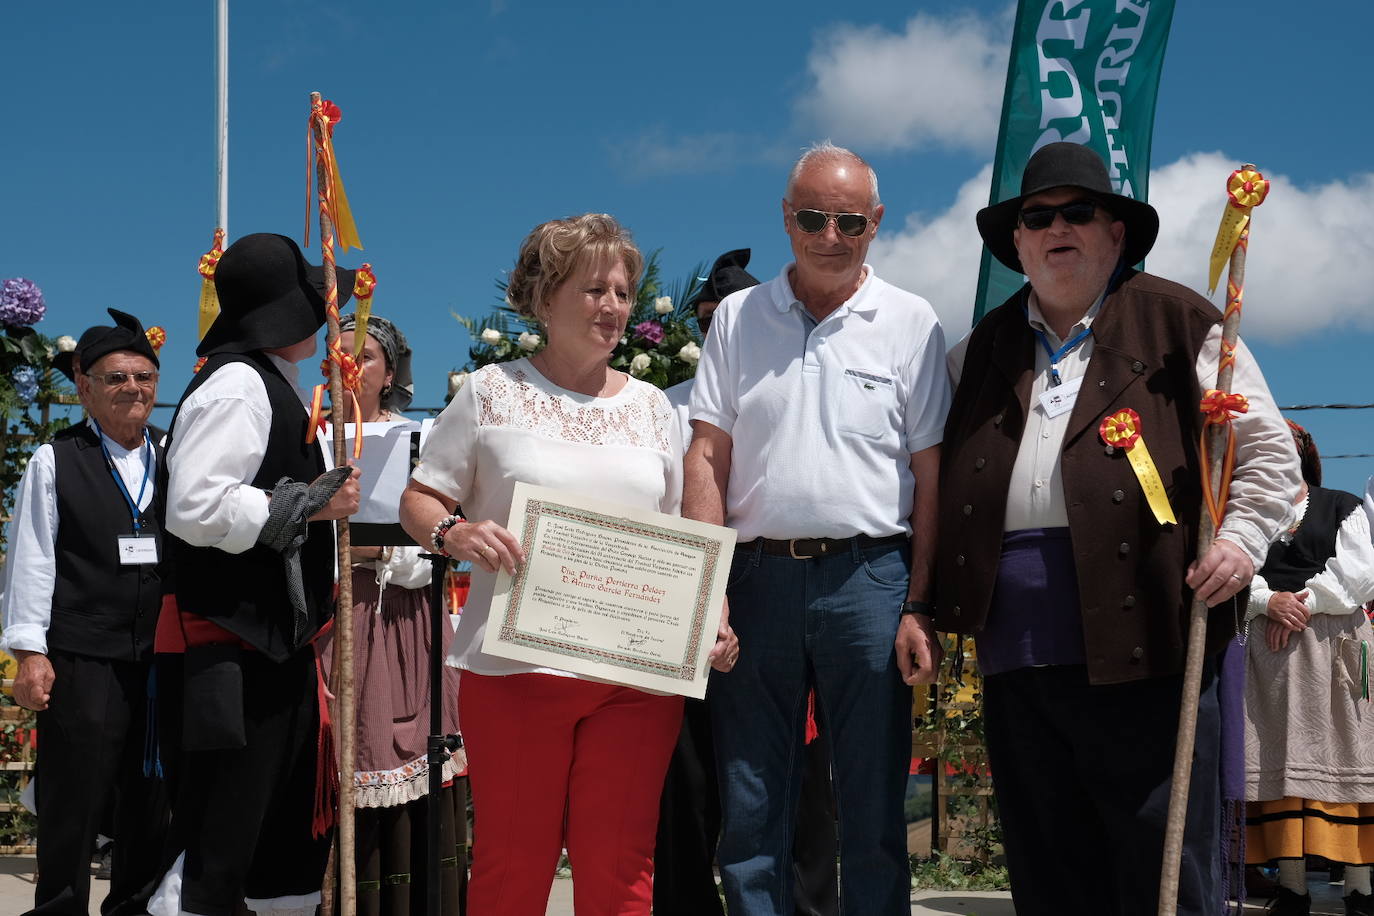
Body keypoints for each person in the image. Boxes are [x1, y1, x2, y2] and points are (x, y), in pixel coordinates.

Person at [937, 141, 1301, 915]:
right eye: (1038, 218)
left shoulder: (1181, 322)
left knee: (1159, 866)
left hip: (1152, 642)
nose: (1056, 228)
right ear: (1018, 242)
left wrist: (1239, 542)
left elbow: (1268, 449)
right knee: (1048, 869)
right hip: (1015, 654)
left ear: (1115, 235)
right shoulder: (975, 352)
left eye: (1079, 213)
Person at [399, 213, 737, 916]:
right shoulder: (490, 393)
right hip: (517, 674)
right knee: (509, 871)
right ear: (545, 297)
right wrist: (455, 534)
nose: (613, 305)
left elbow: (676, 533)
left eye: (622, 291)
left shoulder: (653, 407)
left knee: (622, 871)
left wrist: (710, 617)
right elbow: (421, 498)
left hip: (634, 679)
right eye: (594, 290)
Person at [686, 142, 949, 915]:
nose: (829, 235)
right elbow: (707, 455)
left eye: (848, 221)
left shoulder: (911, 321)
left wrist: (921, 604)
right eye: (811, 217)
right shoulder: (738, 317)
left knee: (872, 806)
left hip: (872, 580)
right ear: (785, 218)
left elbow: (931, 476)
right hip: (755, 578)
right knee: (752, 800)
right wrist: (710, 594)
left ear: (875, 222)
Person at [148, 232, 360, 916]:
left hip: (274, 651)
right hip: (236, 653)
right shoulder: (238, 386)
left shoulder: (273, 383)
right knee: (222, 837)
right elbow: (193, 506)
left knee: (277, 838)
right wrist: (312, 503)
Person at [658, 248, 840, 916]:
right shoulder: (663, 408)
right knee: (689, 783)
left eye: (729, 320)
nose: (717, 334)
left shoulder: (786, 393)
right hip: (684, 608)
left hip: (775, 599)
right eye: (708, 320)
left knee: (794, 777)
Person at [1, 309, 170, 916]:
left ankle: (135, 908)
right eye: (116, 377)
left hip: (159, 657)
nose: (133, 388)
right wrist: (29, 652)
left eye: (144, 376)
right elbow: (31, 559)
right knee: (75, 801)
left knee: (150, 801)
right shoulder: (55, 459)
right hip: (83, 656)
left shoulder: (172, 454)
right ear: (85, 388)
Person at [324, 313, 467, 916]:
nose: (346, 367)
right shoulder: (307, 437)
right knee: (332, 756)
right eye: (335, 357)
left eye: (364, 358)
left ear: (389, 375)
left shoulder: (420, 438)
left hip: (404, 619)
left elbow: (439, 534)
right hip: (331, 617)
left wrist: (378, 549)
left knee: (413, 750)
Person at [1243, 422, 1374, 916]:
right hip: (1270, 651)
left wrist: (1298, 602)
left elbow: (1361, 571)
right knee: (1279, 761)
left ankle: (1359, 889)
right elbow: (1234, 567)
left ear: (1302, 453)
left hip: (1333, 644)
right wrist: (1265, 600)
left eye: (1286, 444)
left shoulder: (1341, 504)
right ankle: (1292, 888)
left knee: (1346, 754)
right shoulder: (1248, 516)